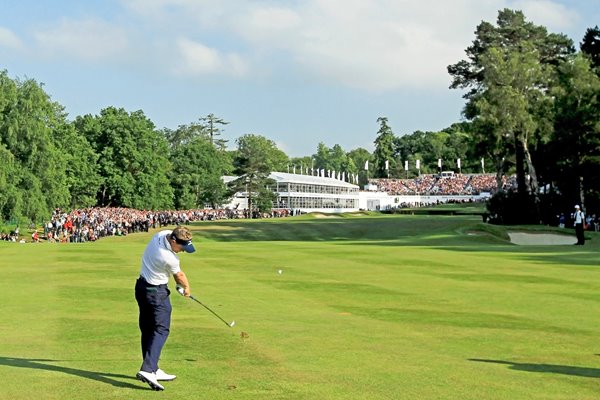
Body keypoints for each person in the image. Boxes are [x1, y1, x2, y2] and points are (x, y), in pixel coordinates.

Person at [135, 226, 196, 391]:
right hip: (156, 294)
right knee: (161, 329)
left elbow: (173, 277)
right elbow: (180, 276)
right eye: (182, 247)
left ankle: (153, 368)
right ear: (174, 241)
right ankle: (148, 370)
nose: (183, 250)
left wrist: (176, 284)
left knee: (148, 329)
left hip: (141, 287)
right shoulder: (169, 258)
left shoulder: (161, 234)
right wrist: (187, 289)